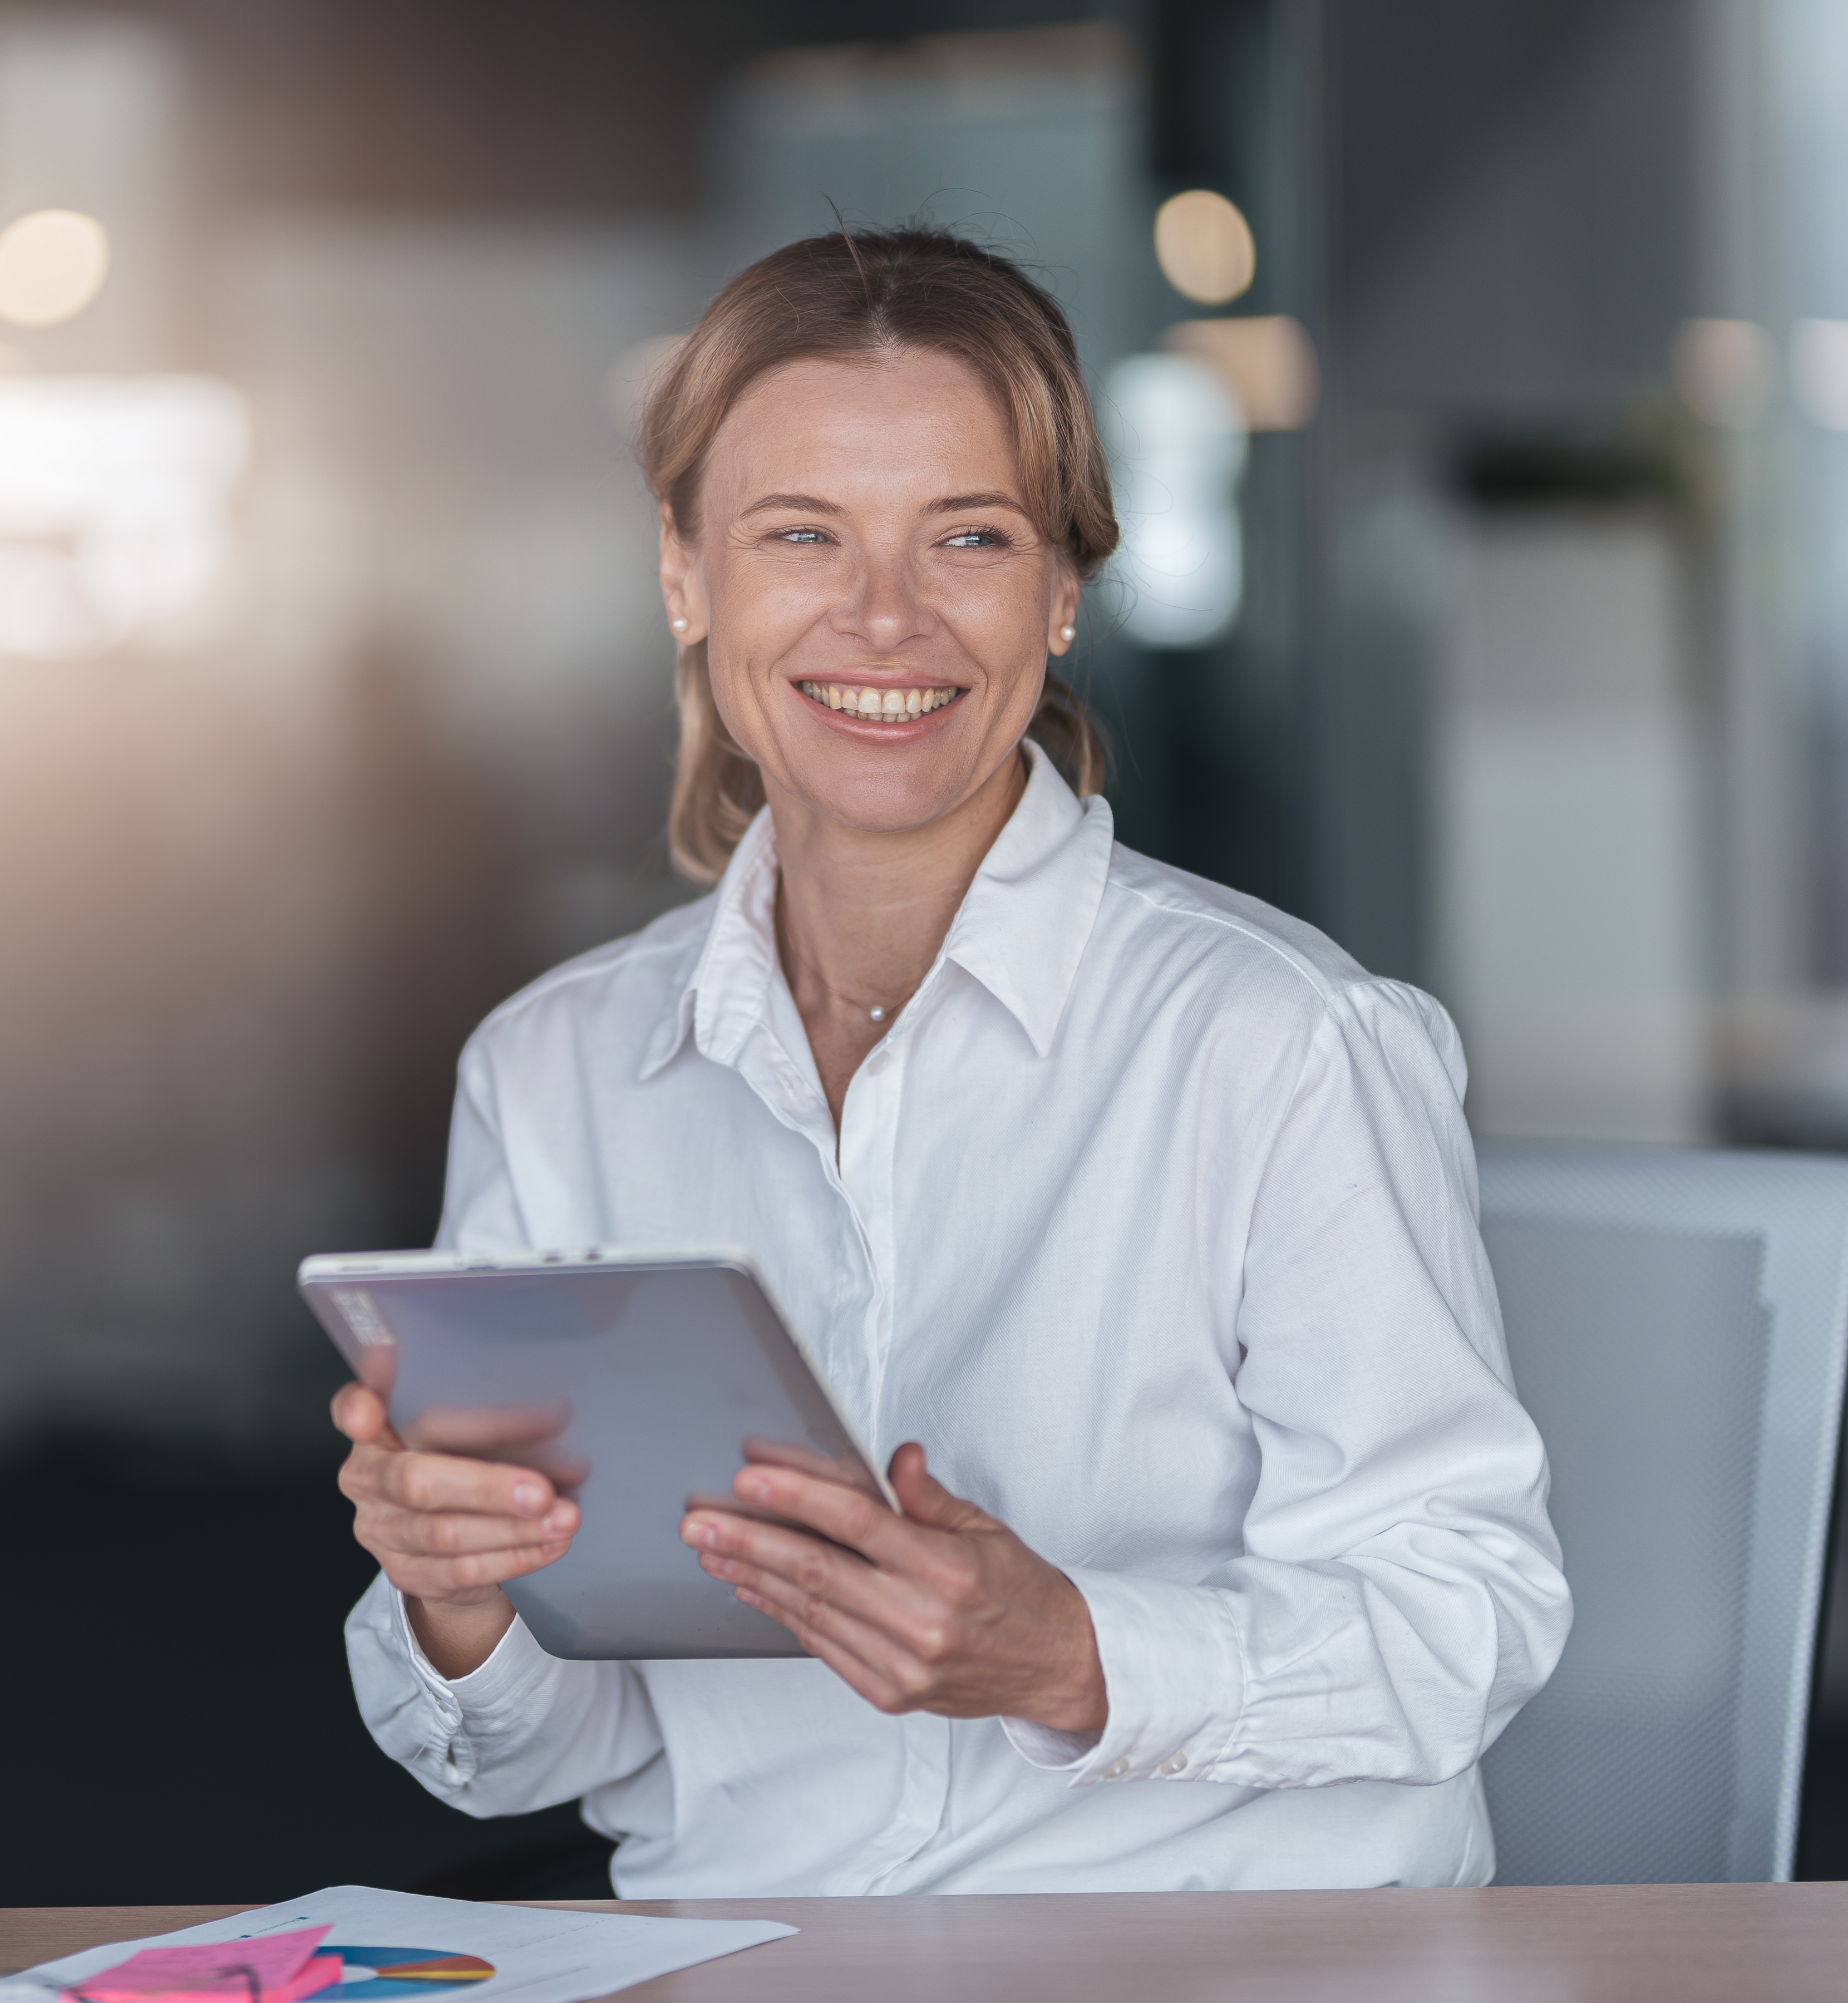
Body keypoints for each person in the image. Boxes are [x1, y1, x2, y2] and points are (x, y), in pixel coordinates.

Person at [334, 226, 1569, 1896]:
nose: (886, 616)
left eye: (969, 537)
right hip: (754, 1957)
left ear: (1062, 589)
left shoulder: (1280, 1045)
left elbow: (1467, 1616)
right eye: (801, 536)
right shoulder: (558, 1073)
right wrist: (464, 1594)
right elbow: (567, 1751)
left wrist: (1071, 1655)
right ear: (686, 575)